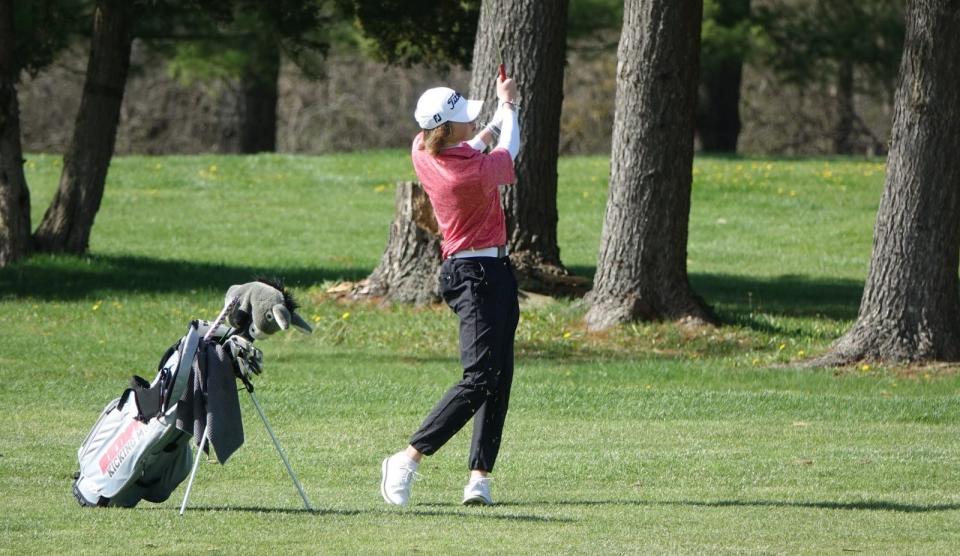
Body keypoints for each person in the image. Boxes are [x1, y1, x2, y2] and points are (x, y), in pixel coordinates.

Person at [380, 74, 521, 507]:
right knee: (479, 379)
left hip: (494, 269)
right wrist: (510, 106)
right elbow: (508, 151)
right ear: (447, 128)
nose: (468, 123)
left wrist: (493, 118)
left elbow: (473, 146)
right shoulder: (470, 175)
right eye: (463, 119)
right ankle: (406, 459)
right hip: (474, 276)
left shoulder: (422, 149)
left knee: (498, 377)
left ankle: (479, 477)